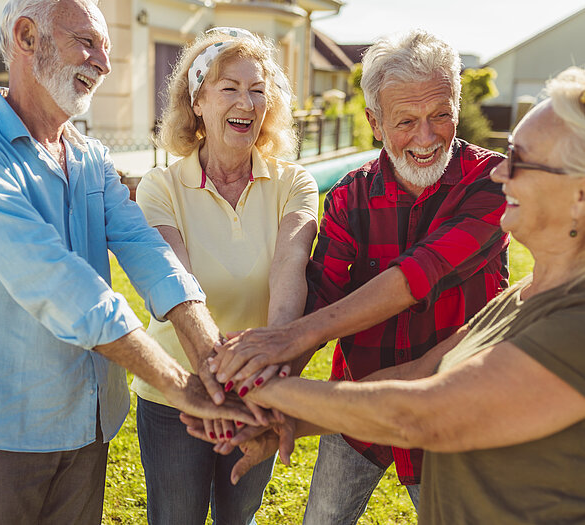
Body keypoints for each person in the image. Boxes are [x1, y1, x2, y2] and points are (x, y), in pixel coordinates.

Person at [185, 65, 585, 525]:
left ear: (579, 194)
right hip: (361, 409)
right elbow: (416, 374)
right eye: (507, 154)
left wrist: (266, 387)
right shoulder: (519, 298)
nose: (502, 173)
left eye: (521, 160)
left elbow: (418, 414)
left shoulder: (574, 320)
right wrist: (281, 422)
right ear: (376, 123)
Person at [0, 2, 257, 524]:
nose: (103, 63)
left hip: (86, 430)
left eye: (106, 48)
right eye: (88, 42)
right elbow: (54, 279)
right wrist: (184, 387)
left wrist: (209, 359)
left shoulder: (89, 156)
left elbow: (148, 250)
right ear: (26, 36)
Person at [130, 27, 318, 525]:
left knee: (240, 515)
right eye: (230, 87)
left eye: (258, 90)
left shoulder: (294, 182)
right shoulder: (160, 187)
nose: (247, 102)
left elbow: (289, 267)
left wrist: (262, 369)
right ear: (197, 101)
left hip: (257, 385)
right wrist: (216, 383)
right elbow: (176, 282)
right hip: (178, 389)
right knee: (175, 518)